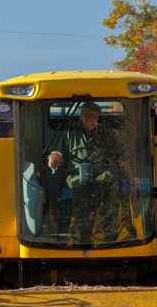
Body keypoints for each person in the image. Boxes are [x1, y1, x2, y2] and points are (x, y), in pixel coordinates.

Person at [43, 101, 133, 243]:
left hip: (100, 171)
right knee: (80, 186)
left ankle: (107, 231)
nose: (92, 118)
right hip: (76, 173)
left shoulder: (106, 133)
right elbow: (58, 153)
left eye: (95, 115)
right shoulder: (69, 132)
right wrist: (54, 159)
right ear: (81, 116)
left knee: (111, 182)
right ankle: (83, 231)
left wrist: (131, 177)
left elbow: (120, 157)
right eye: (89, 115)